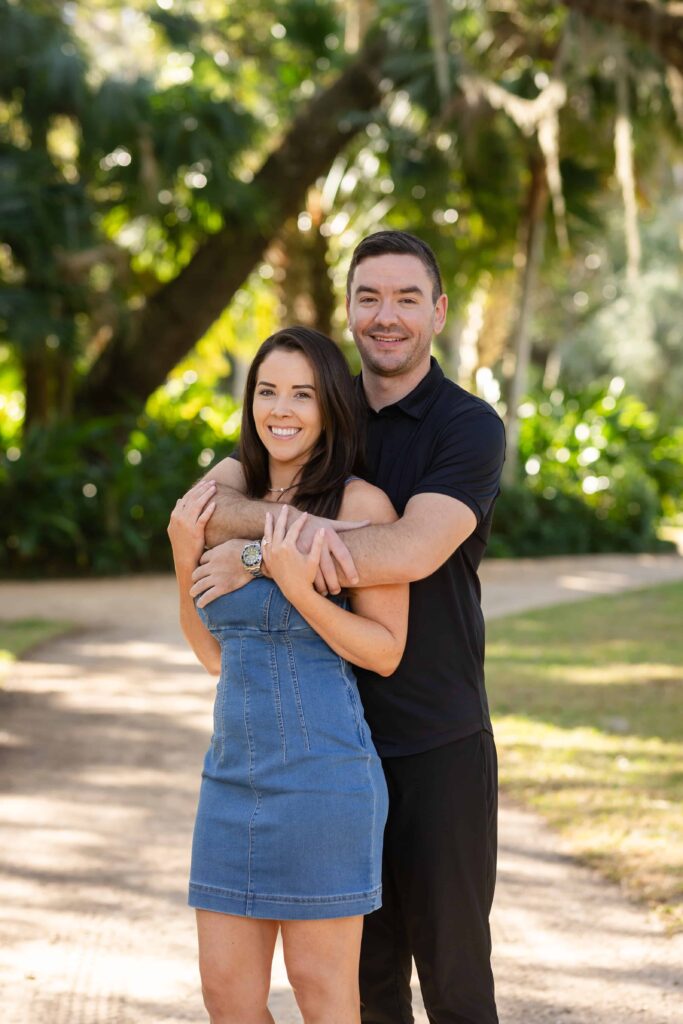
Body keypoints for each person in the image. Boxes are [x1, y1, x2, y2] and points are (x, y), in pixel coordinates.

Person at [185, 231, 506, 1023]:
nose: (385, 316)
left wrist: (262, 553)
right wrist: (251, 534)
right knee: (362, 988)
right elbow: (203, 508)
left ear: (436, 312)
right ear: (349, 312)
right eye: (368, 298)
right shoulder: (315, 406)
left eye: (405, 298)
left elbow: (408, 549)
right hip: (325, 742)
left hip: (431, 734)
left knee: (454, 975)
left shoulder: (466, 428)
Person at [167, 326, 409, 1024]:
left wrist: (296, 584)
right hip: (231, 777)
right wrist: (185, 556)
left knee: (322, 993)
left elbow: (385, 650)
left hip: (324, 777)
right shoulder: (224, 499)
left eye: (302, 394)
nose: (282, 408)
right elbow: (213, 654)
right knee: (227, 1000)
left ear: (330, 407)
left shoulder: (362, 509)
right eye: (267, 391)